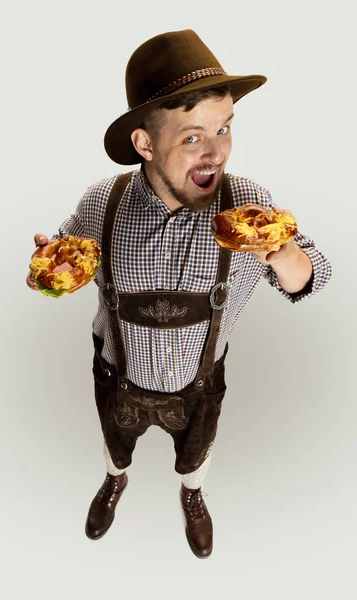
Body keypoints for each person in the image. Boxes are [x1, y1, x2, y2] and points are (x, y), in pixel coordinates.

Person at [26, 29, 332, 558]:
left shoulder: (249, 205)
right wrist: (46, 268)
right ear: (145, 144)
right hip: (118, 373)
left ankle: (192, 494)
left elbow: (311, 276)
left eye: (225, 128)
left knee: (196, 452)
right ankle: (115, 480)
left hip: (201, 380)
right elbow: (61, 259)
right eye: (192, 137)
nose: (216, 152)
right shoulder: (104, 202)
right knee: (115, 444)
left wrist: (282, 255)